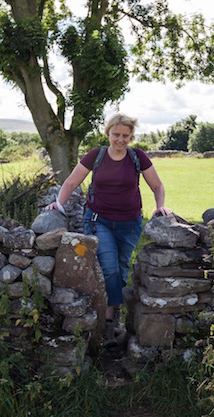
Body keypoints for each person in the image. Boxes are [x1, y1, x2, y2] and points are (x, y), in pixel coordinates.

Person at [45, 113, 172, 346]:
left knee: (122, 268)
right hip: (98, 220)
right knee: (110, 268)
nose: (120, 140)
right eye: (116, 134)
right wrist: (59, 205)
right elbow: (72, 182)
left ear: (131, 136)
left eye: (125, 135)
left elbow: (156, 185)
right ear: (108, 133)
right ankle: (110, 321)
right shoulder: (97, 155)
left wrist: (160, 206)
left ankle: (114, 315)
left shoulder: (137, 157)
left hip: (130, 224)